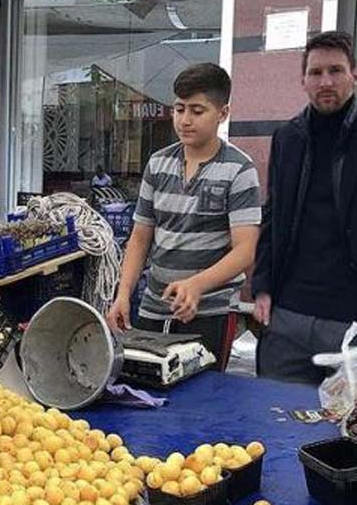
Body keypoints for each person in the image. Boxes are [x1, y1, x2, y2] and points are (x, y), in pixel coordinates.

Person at [252, 31, 357, 391]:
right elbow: (273, 218)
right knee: (276, 425)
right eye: (316, 73)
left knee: (353, 437)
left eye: (336, 70)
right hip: (288, 321)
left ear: (355, 76)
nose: (326, 81)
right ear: (303, 80)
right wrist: (263, 285)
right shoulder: (287, 139)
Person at [106, 63, 261, 364]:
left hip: (210, 312)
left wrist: (197, 285)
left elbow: (246, 250)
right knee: (146, 392)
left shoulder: (239, 169)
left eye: (197, 111)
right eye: (179, 109)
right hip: (153, 306)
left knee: (203, 400)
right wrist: (123, 293)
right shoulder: (158, 163)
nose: (185, 120)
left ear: (223, 113)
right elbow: (140, 238)